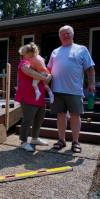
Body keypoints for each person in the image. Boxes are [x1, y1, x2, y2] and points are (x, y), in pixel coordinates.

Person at [47, 25, 96, 153]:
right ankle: (61, 140)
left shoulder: (81, 49)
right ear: (59, 36)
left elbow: (90, 68)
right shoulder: (55, 51)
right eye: (63, 34)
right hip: (57, 90)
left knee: (75, 116)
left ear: (73, 34)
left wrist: (91, 83)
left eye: (68, 33)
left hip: (74, 90)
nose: (65, 35)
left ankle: (75, 142)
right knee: (60, 116)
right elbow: (48, 70)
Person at [15, 43, 52, 152]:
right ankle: (24, 141)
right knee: (28, 119)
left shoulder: (38, 62)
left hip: (39, 96)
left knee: (39, 118)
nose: (31, 56)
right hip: (27, 95)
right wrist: (43, 77)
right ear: (24, 54)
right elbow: (27, 71)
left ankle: (35, 138)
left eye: (33, 54)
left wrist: (48, 76)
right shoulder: (24, 62)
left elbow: (48, 77)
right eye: (29, 54)